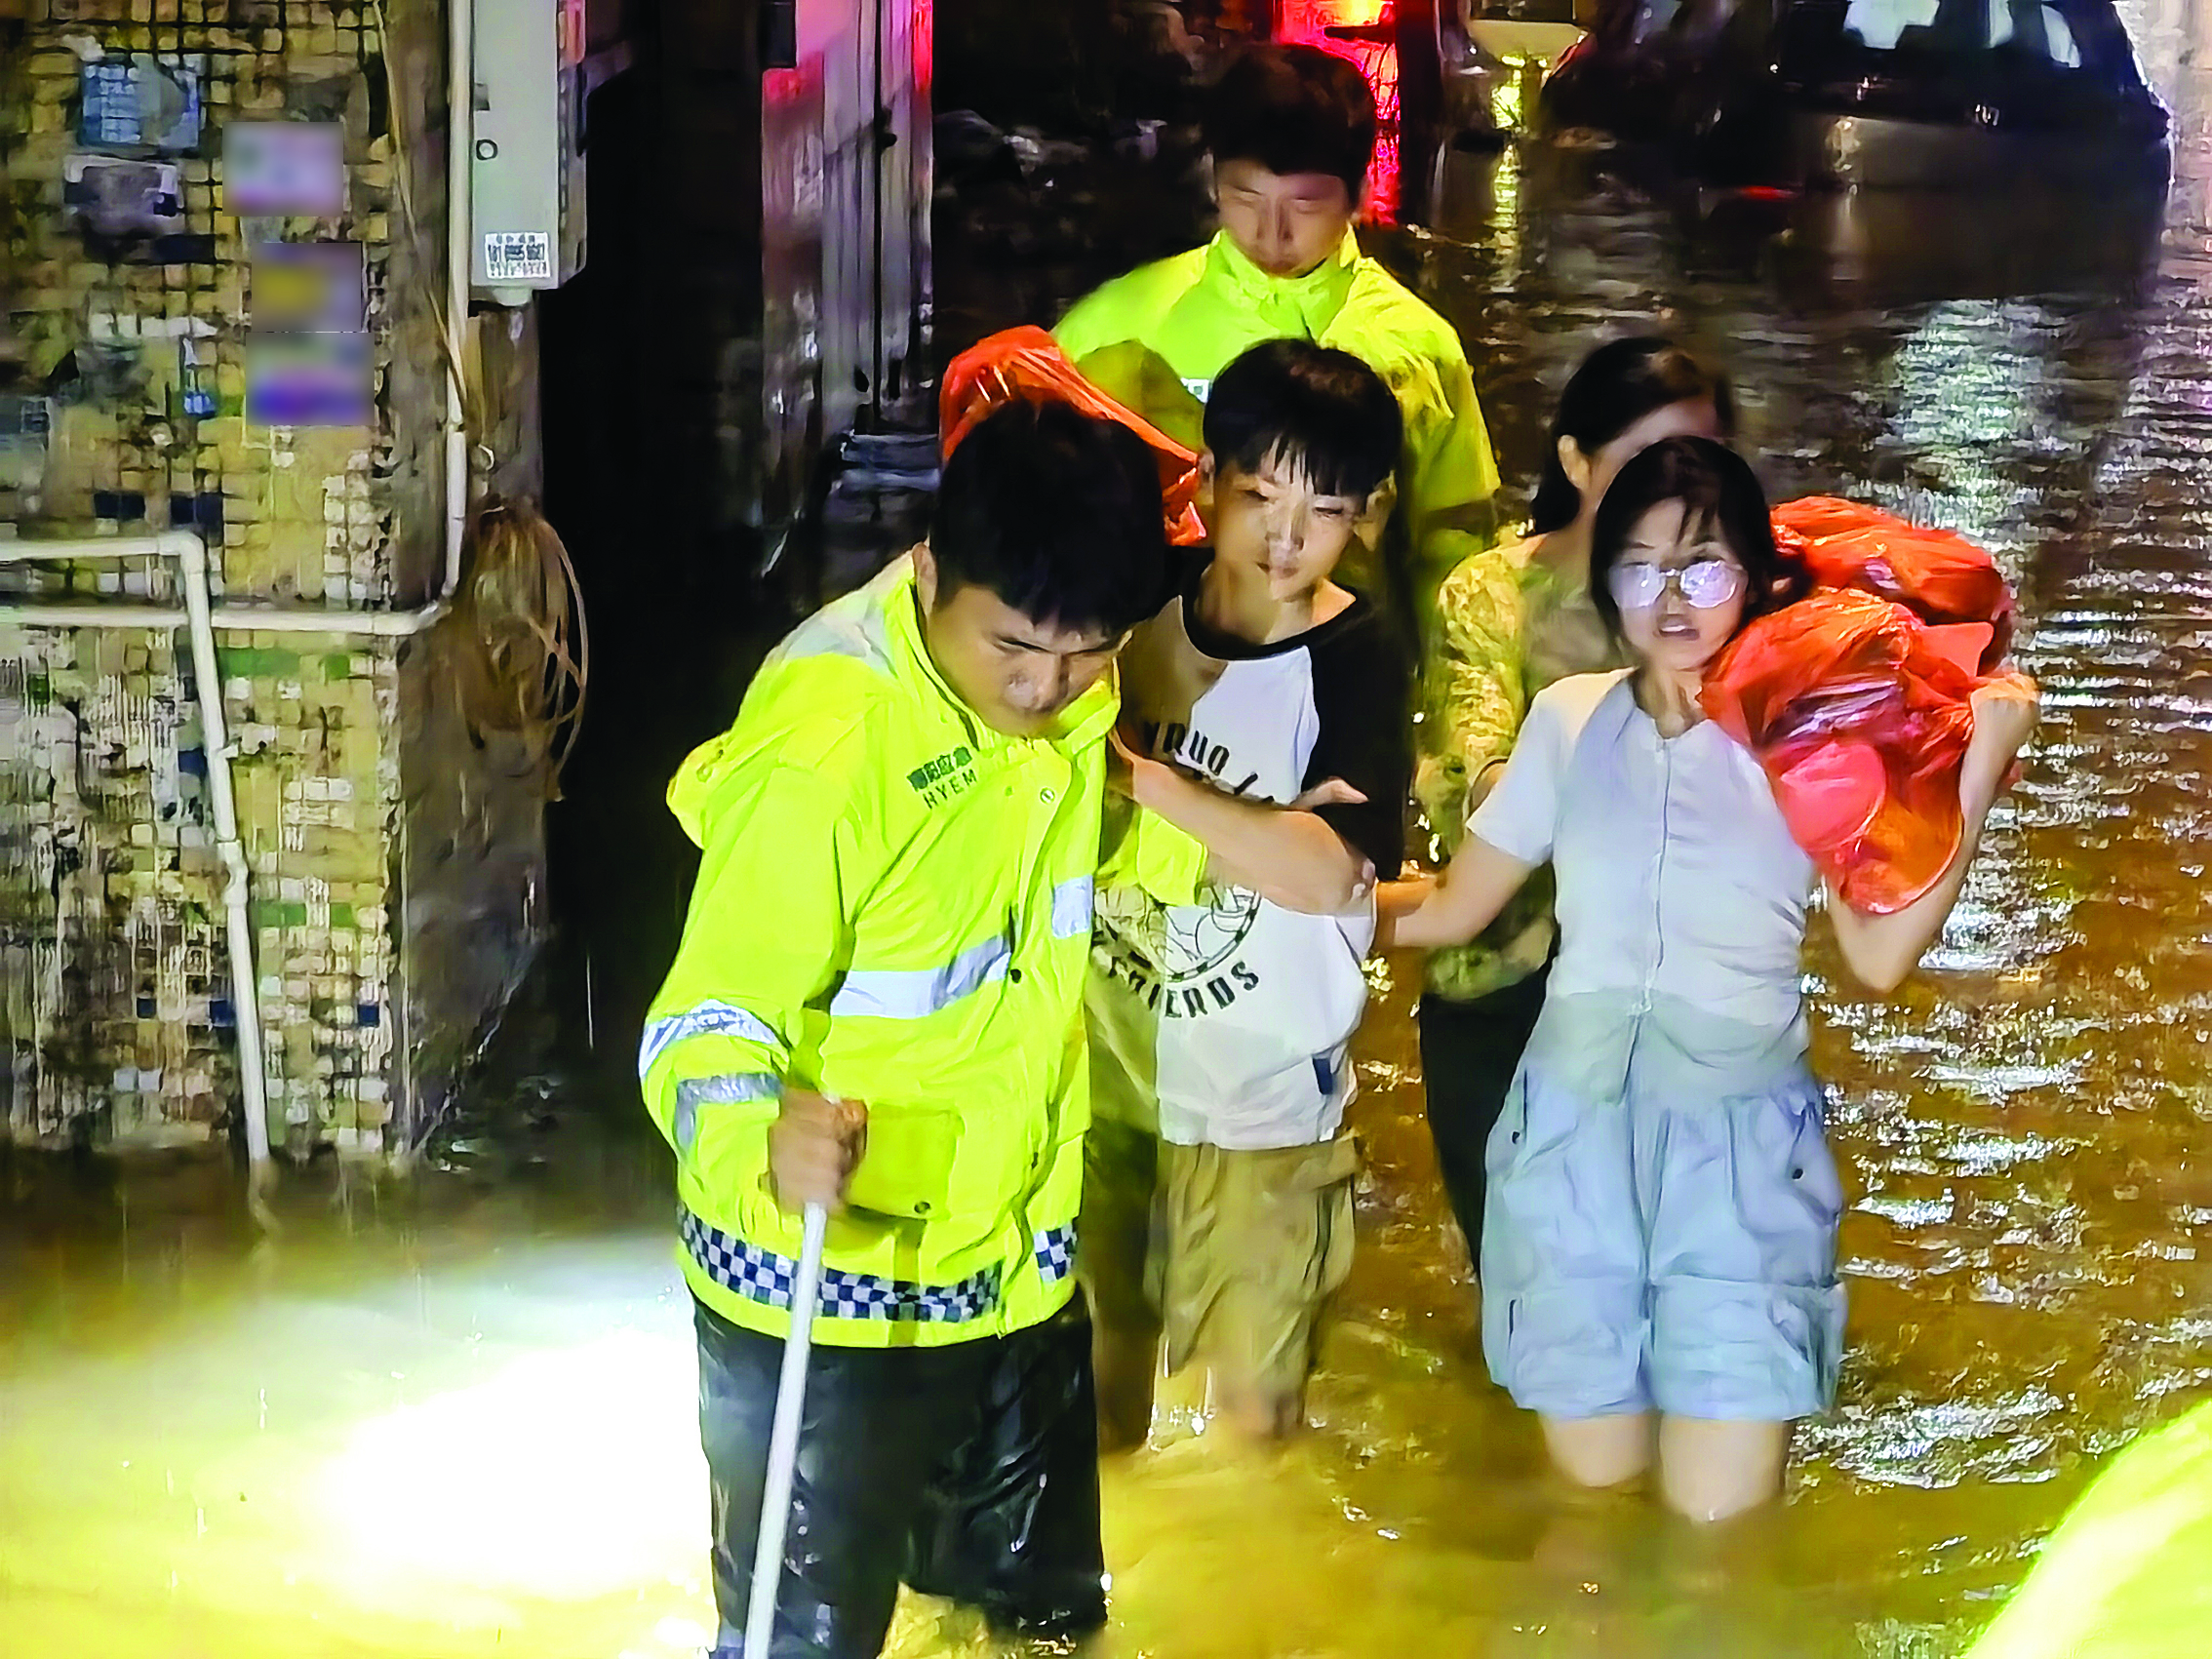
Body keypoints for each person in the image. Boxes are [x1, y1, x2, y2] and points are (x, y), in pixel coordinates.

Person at [1382, 437, 2039, 1521]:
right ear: (1608, 583)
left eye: (1705, 567)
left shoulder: (1810, 735)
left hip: (1740, 1164)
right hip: (1568, 1151)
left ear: (1759, 577)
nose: (1673, 599)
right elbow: (1456, 905)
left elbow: (1878, 959)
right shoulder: (1567, 718)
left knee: (1718, 1548)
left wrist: (1977, 774)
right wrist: (1302, 906)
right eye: (1642, 568)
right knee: (1587, 1527)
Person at [638, 401, 1172, 1659]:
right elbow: (699, 1020)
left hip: (1011, 1262)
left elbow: (1050, 867)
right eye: (1015, 651)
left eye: (1086, 655)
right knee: (801, 1640)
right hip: (825, 1288)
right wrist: (760, 1136)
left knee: (1042, 1625)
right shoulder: (827, 754)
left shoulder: (1062, 681)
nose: (1045, 688)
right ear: (928, 572)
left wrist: (1236, 850)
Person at [1082, 338, 1413, 1446]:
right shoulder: (1128, 607)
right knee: (1095, 1397)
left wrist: (1142, 782)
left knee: (1255, 1431)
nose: (1286, 535)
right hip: (1103, 1084)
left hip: (1269, 1109)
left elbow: (1330, 874)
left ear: (1365, 514)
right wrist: (1261, 830)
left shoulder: (1358, 653)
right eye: (1259, 494)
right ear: (1206, 479)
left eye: (1325, 508)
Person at [1417, 337, 1736, 1276]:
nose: (1674, 490)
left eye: (1700, 463)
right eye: (1643, 462)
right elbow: (1468, 780)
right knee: (1527, 1297)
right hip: (1503, 982)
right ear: (1574, 461)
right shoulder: (1491, 593)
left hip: (1674, 989)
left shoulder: (1738, 605)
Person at [1053, 41, 1501, 654]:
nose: (1273, 233)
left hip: (1339, 662)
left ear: (1360, 193)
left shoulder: (1417, 346)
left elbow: (1454, 541)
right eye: (1245, 198)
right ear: (1212, 179)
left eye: (1305, 204)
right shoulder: (1116, 324)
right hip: (1154, 660)